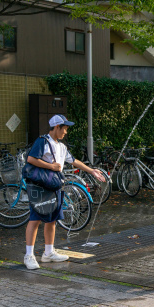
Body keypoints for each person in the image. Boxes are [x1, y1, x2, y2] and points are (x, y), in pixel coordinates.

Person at [24, 114, 106, 270]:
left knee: (52, 219)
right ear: (56, 127)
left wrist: (92, 171)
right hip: (41, 187)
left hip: (55, 186)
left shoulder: (61, 146)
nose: (65, 132)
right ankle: (29, 255)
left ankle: (48, 252)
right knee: (35, 220)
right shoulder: (43, 142)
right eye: (65, 129)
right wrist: (51, 167)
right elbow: (31, 159)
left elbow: (73, 161)